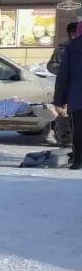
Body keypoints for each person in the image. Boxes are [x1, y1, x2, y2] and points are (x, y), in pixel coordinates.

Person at [52, 20, 82, 170]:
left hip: (77, 98)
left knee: (78, 130)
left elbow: (63, 76)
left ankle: (78, 161)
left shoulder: (71, 48)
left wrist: (59, 99)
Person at [49, 22, 78, 154]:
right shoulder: (63, 48)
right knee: (64, 117)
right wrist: (64, 71)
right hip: (66, 88)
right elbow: (51, 66)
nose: (74, 36)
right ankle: (66, 146)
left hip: (76, 88)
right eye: (72, 33)